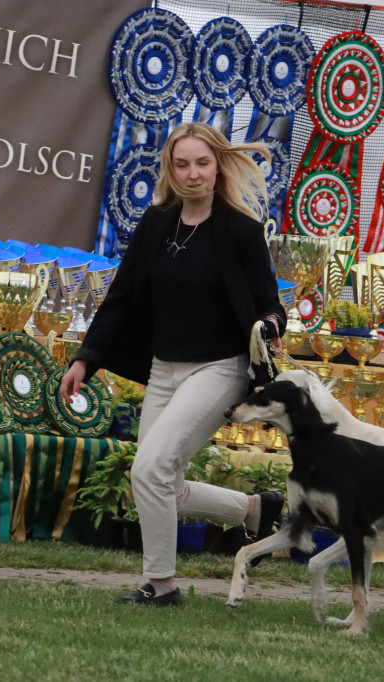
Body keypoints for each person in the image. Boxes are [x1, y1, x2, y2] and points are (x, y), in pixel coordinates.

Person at [59, 122, 286, 606]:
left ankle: (160, 585)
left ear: (218, 165)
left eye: (201, 163)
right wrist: (86, 359)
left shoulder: (241, 231)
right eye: (181, 164)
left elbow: (271, 304)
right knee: (160, 478)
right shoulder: (156, 223)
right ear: (169, 168)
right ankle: (251, 509)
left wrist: (269, 327)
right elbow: (120, 298)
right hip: (163, 368)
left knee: (151, 469)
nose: (192, 173)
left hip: (220, 369)